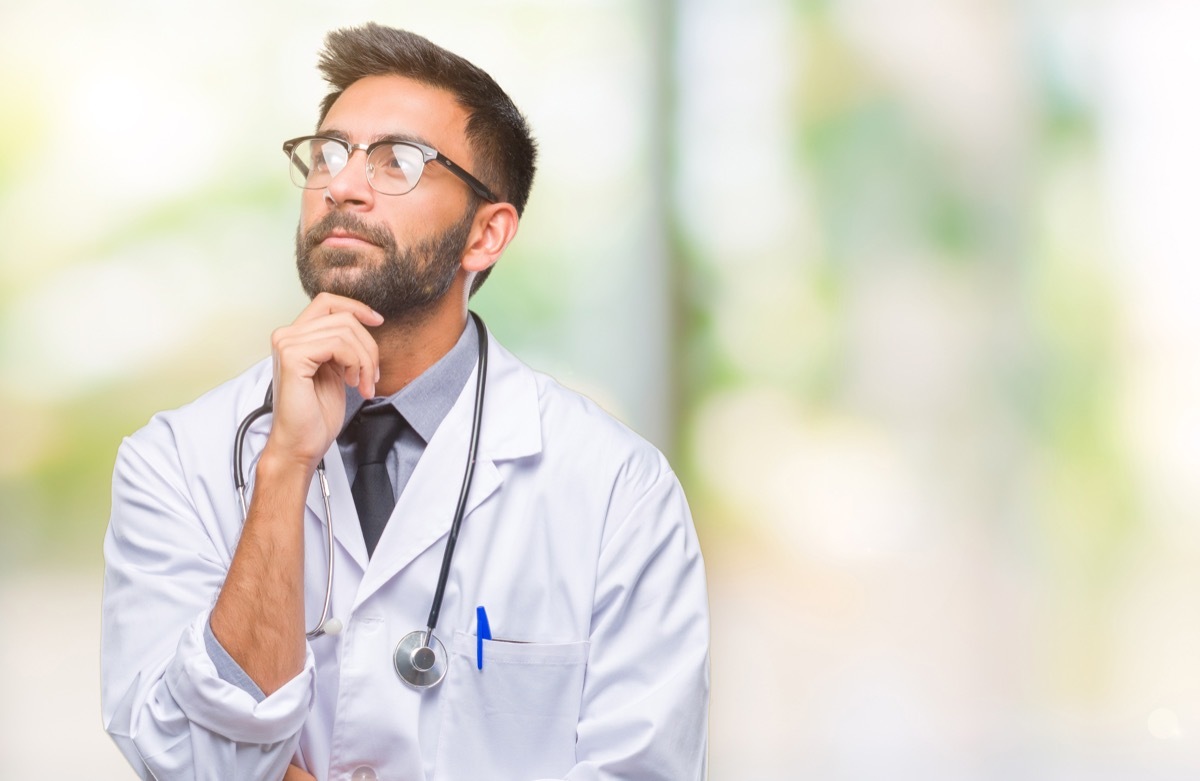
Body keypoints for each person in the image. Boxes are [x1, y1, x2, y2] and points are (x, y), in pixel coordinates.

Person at [100, 22, 709, 781]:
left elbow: (641, 769)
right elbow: (187, 759)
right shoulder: (173, 462)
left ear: (486, 234)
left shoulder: (618, 489)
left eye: (398, 161)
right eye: (328, 152)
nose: (343, 185)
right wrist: (284, 469)